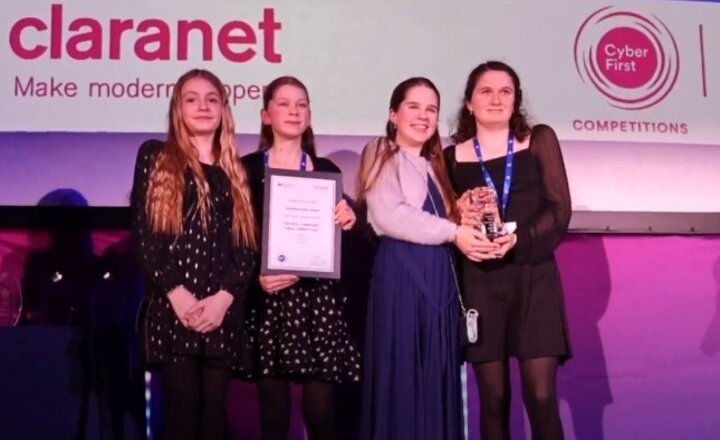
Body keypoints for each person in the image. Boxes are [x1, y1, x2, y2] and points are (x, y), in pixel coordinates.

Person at [358, 77, 492, 440]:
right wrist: (455, 232)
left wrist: (467, 214)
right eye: (413, 107)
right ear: (393, 114)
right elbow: (389, 216)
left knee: (438, 378)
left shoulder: (436, 165)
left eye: (431, 109)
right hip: (403, 277)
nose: (423, 116)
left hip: (440, 282)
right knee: (402, 375)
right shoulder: (381, 151)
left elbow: (441, 222)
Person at [444, 60, 572, 440]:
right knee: (494, 400)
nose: (496, 99)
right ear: (469, 103)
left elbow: (559, 208)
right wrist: (460, 222)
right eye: (485, 91)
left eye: (505, 91)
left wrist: (520, 239)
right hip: (481, 284)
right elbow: (448, 220)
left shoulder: (539, 139)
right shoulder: (450, 157)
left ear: (516, 100)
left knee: (542, 396)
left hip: (534, 278)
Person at [130, 68, 257, 440]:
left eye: (211, 99)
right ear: (177, 108)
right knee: (183, 415)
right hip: (175, 312)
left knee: (215, 415)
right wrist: (176, 292)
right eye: (192, 99)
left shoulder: (237, 171)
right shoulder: (156, 156)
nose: (203, 106)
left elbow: (246, 246)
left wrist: (224, 298)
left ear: (224, 109)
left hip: (220, 312)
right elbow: (145, 233)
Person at [241, 76, 361, 440]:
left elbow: (336, 237)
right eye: (284, 103)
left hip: (317, 301)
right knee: (274, 416)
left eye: (302, 104)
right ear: (265, 115)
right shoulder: (245, 170)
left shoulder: (327, 171)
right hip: (269, 298)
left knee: (321, 415)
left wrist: (347, 218)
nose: (294, 111)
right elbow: (237, 239)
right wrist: (254, 277)